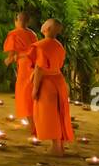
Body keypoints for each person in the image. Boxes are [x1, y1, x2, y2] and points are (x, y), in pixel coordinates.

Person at [29, 18, 74, 156]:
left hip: (47, 83)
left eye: (45, 23)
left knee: (49, 115)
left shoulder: (42, 46)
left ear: (46, 28)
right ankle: (60, 146)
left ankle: (55, 147)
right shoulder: (59, 45)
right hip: (59, 81)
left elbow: (39, 68)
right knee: (59, 113)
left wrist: (35, 88)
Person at [2, 11, 38, 123]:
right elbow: (35, 50)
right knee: (31, 91)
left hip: (24, 65)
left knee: (23, 94)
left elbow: (12, 52)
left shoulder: (13, 34)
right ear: (28, 22)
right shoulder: (33, 34)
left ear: (16, 21)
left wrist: (9, 59)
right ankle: (35, 121)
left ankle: (32, 124)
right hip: (33, 64)